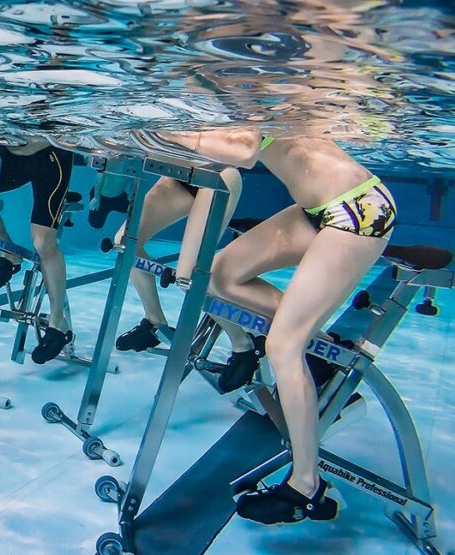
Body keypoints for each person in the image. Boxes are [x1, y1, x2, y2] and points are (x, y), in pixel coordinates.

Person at [165, 129, 395, 525]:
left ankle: (307, 485)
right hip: (315, 208)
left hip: (357, 209)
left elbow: (245, 151)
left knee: (283, 345)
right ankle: (320, 358)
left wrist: (163, 131)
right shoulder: (230, 88)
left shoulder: (248, 80)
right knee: (221, 275)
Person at [113, 129, 250, 353]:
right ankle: (154, 319)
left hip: (218, 175)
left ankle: (242, 344)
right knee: (125, 242)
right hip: (179, 174)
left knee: (188, 274)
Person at [0, 137, 75, 364]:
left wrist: (43, 140)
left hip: (50, 155)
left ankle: (59, 322)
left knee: (43, 242)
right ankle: (10, 255)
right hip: (10, 153)